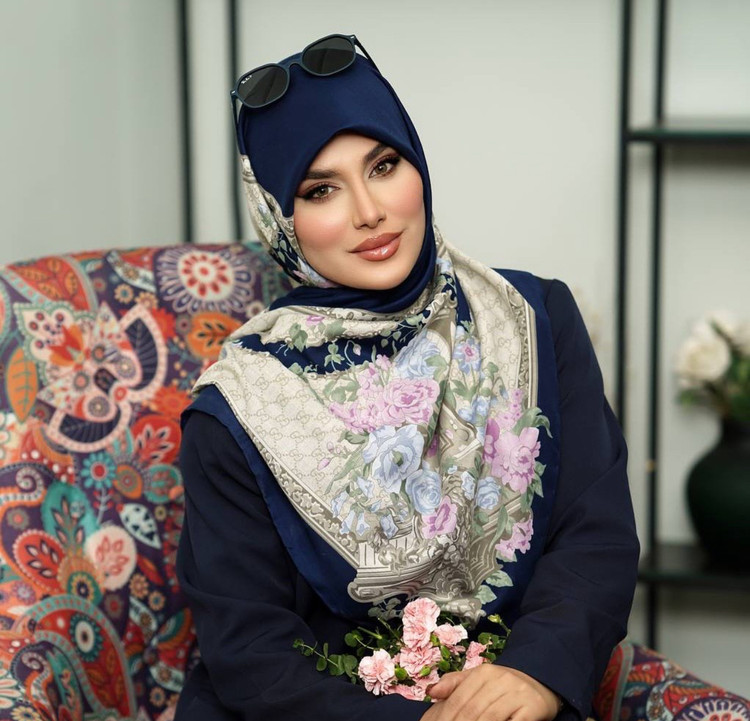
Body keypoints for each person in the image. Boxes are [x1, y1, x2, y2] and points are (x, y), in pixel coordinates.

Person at [174, 33, 640, 721]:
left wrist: (535, 674)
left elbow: (595, 537)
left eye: (384, 165)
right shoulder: (239, 406)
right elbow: (251, 652)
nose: (370, 211)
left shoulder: (534, 319)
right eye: (321, 189)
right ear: (281, 219)